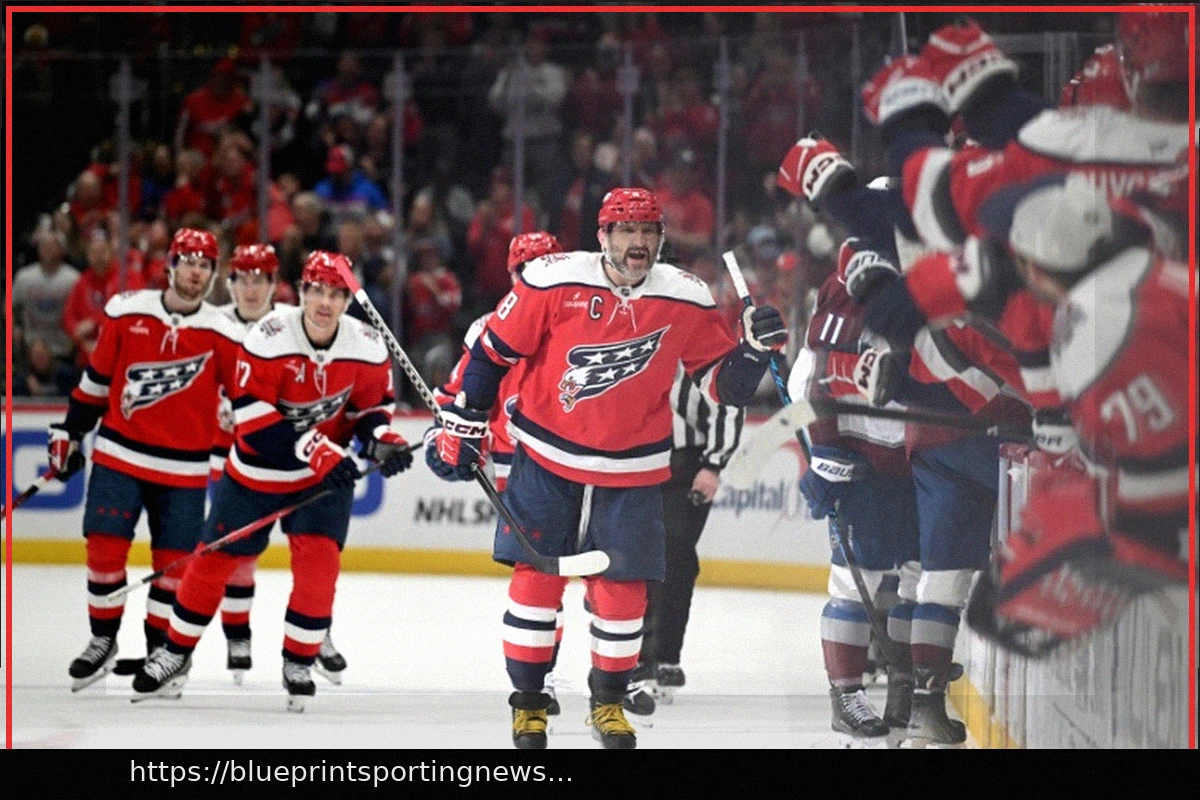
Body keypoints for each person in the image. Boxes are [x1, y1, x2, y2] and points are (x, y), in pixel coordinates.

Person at [424, 188, 787, 749]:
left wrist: (754, 352)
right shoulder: (552, 280)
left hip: (634, 472)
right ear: (602, 236)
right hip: (546, 462)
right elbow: (492, 352)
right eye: (626, 230)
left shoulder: (685, 296)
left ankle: (609, 706)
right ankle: (529, 706)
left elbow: (723, 387)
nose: (637, 242)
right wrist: (468, 419)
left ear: (661, 239)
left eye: (648, 232)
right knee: (536, 585)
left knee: (623, 597)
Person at [131, 251, 414, 711]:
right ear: (301, 292)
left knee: (320, 568)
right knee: (212, 562)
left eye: (336, 294)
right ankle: (175, 652)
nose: (326, 302)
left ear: (347, 300)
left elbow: (370, 410)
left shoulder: (366, 344)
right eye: (317, 291)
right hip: (257, 472)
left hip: (322, 479)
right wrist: (317, 448)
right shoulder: (268, 337)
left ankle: (298, 660)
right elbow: (253, 421)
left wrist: (382, 439)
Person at [57, 228, 243, 692]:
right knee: (103, 549)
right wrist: (70, 430)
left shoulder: (224, 333)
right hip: (119, 455)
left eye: (205, 265)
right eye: (188, 262)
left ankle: (161, 650)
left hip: (184, 469)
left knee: (174, 564)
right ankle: (103, 640)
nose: (196, 272)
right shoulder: (127, 311)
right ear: (171, 265)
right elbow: (97, 380)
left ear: (213, 274)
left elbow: (247, 401)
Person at [432, 230, 566, 711]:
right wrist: (445, 439)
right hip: (519, 470)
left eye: (546, 266)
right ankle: (539, 676)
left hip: (574, 466)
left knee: (596, 573)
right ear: (511, 277)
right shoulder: (488, 329)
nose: (535, 278)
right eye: (525, 271)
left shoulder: (582, 326)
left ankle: (618, 667)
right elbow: (456, 396)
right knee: (542, 575)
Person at [623, 361, 745, 715]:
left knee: (674, 557)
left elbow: (729, 401)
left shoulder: (703, 341)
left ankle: (663, 655)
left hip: (686, 463)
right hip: (631, 459)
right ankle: (633, 654)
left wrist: (713, 465)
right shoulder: (629, 336)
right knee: (632, 557)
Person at [12, 229, 80, 363]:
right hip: (32, 346)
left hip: (63, 348)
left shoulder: (74, 279)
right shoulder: (24, 277)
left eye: (52, 245)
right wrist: (14, 327)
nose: (47, 249)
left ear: (62, 250)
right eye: (43, 245)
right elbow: (10, 306)